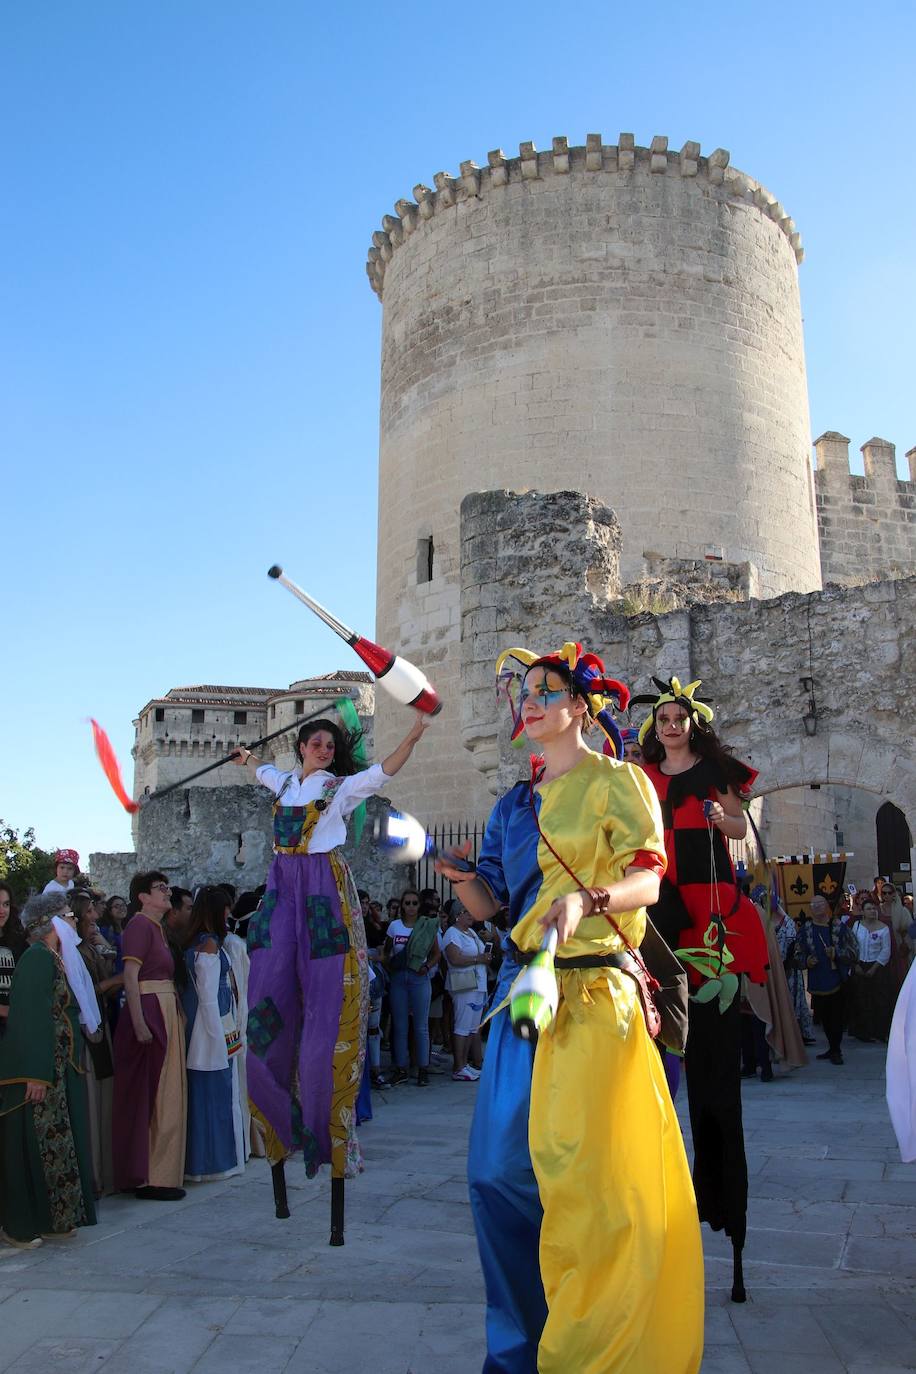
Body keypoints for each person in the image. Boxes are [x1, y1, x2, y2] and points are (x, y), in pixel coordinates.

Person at [437, 641, 703, 1374]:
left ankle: (597, 1354)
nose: (530, 701)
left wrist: (585, 902)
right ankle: (522, 1348)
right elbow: (492, 905)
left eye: (547, 691)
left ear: (580, 709)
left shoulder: (620, 782)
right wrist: (460, 878)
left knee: (589, 1189)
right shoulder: (510, 808)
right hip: (520, 994)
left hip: (596, 991)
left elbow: (648, 882)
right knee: (496, 1176)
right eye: (525, 692)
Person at [233, 708, 430, 1177]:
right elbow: (258, 767)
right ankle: (282, 1120)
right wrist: (244, 758)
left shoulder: (335, 789)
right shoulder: (281, 783)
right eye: (316, 743)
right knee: (270, 996)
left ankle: (333, 1130)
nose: (324, 750)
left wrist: (416, 733)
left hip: (321, 887)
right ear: (301, 747)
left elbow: (382, 771)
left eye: (329, 745)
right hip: (283, 885)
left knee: (329, 998)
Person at [634, 675, 769, 1300]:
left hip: (706, 932)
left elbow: (742, 833)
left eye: (678, 716)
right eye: (662, 715)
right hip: (653, 924)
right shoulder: (641, 777)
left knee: (718, 1090)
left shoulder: (716, 777)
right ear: (654, 725)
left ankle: (726, 1217)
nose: (670, 724)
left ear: (692, 723)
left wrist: (726, 816)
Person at [0, 892, 96, 1248]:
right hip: (39, 1071)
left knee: (54, 1149)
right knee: (30, 1148)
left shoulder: (52, 959)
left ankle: (53, 1219)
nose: (75, 921)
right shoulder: (38, 959)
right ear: (51, 923)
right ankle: (21, 1224)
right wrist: (35, 1074)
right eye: (69, 915)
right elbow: (29, 1020)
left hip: (54, 1068)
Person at [112, 871, 188, 1200]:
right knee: (152, 1092)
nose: (167, 891)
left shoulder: (156, 927)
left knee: (167, 1091)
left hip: (163, 1009)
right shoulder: (140, 925)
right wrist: (139, 1020)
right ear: (142, 896)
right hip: (149, 1010)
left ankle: (163, 1172)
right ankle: (148, 1176)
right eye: (160, 888)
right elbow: (129, 974)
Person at [180, 887, 245, 1182]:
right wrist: (216, 1036)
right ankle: (212, 1163)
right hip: (211, 1028)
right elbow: (207, 995)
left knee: (210, 1093)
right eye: (225, 908)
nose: (229, 914)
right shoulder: (208, 945)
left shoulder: (202, 942)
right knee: (213, 1093)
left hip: (212, 1025)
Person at [70, 891, 119, 1196]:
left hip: (102, 1026)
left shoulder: (90, 947)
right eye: (88, 912)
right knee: (91, 1103)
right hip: (88, 1033)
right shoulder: (73, 952)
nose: (95, 917)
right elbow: (84, 993)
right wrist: (116, 981)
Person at [384, 887, 441, 1086]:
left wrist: (427, 967)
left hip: (419, 978)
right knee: (400, 1026)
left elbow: (436, 953)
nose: (410, 907)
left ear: (419, 906)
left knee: (421, 1026)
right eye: (406, 903)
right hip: (399, 978)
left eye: (414, 903)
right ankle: (401, 1068)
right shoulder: (394, 927)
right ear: (402, 905)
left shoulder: (426, 925)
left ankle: (422, 1068)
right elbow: (386, 952)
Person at [796, 894, 857, 1065]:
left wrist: (837, 954)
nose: (816, 908)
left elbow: (854, 951)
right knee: (823, 1018)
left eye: (820, 904)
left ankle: (836, 1050)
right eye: (813, 904)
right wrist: (806, 961)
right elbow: (798, 952)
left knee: (836, 1017)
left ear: (826, 906)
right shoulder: (806, 929)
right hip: (817, 982)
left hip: (835, 981)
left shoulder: (838, 927)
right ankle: (831, 1047)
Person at [441, 900, 490, 1080]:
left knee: (471, 1026)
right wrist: (479, 959)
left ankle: (465, 1064)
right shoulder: (452, 934)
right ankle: (458, 1066)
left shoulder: (471, 932)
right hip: (464, 983)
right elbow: (455, 959)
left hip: (478, 983)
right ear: (457, 915)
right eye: (466, 912)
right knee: (462, 1024)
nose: (471, 915)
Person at [848, 896, 894, 1043]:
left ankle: (880, 1032)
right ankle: (863, 1031)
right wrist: (855, 965)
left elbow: (886, 950)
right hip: (860, 964)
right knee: (861, 999)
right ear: (863, 911)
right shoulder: (857, 926)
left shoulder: (883, 928)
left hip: (877, 966)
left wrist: (874, 969)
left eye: (874, 908)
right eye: (869, 909)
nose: (872, 911)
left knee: (879, 1000)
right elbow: (851, 946)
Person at [0, 881, 27, 1032]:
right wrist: (3, 1009)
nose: (2, 910)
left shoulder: (18, 941)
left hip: (15, 1027)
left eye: (6, 904)